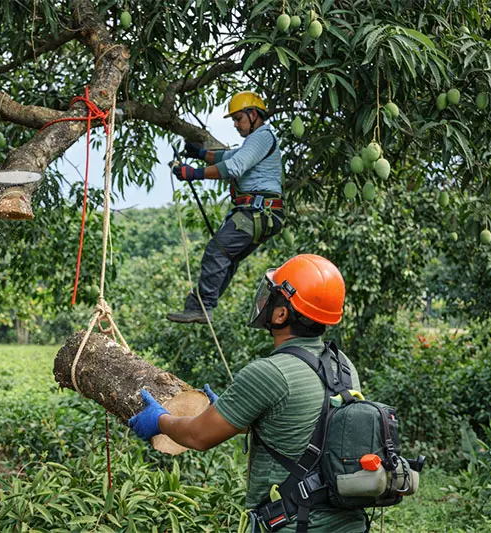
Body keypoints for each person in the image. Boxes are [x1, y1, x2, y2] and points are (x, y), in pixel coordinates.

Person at [129, 254, 368, 532]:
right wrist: (237, 415)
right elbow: (304, 430)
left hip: (297, 525)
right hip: (350, 525)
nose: (264, 301)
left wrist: (159, 420)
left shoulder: (268, 372)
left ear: (281, 314)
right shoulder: (343, 365)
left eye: (272, 296)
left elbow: (198, 436)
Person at [167, 91, 284, 324]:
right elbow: (228, 155)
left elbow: (234, 166)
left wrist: (193, 173)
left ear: (253, 115)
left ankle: (202, 306)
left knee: (217, 250)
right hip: (263, 214)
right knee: (226, 256)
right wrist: (200, 154)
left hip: (258, 212)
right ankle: (203, 304)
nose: (236, 124)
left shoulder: (262, 136)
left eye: (238, 118)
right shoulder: (256, 140)